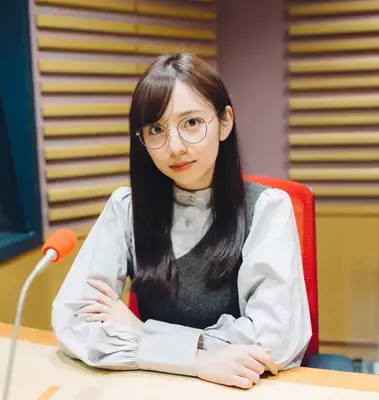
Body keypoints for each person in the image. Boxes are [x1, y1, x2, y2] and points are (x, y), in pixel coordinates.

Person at [51, 52, 312, 390]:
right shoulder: (126, 209)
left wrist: (143, 333)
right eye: (156, 129)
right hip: (150, 386)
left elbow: (273, 341)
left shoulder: (267, 208)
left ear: (225, 122)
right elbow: (73, 320)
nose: (174, 147)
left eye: (191, 123)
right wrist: (199, 361)